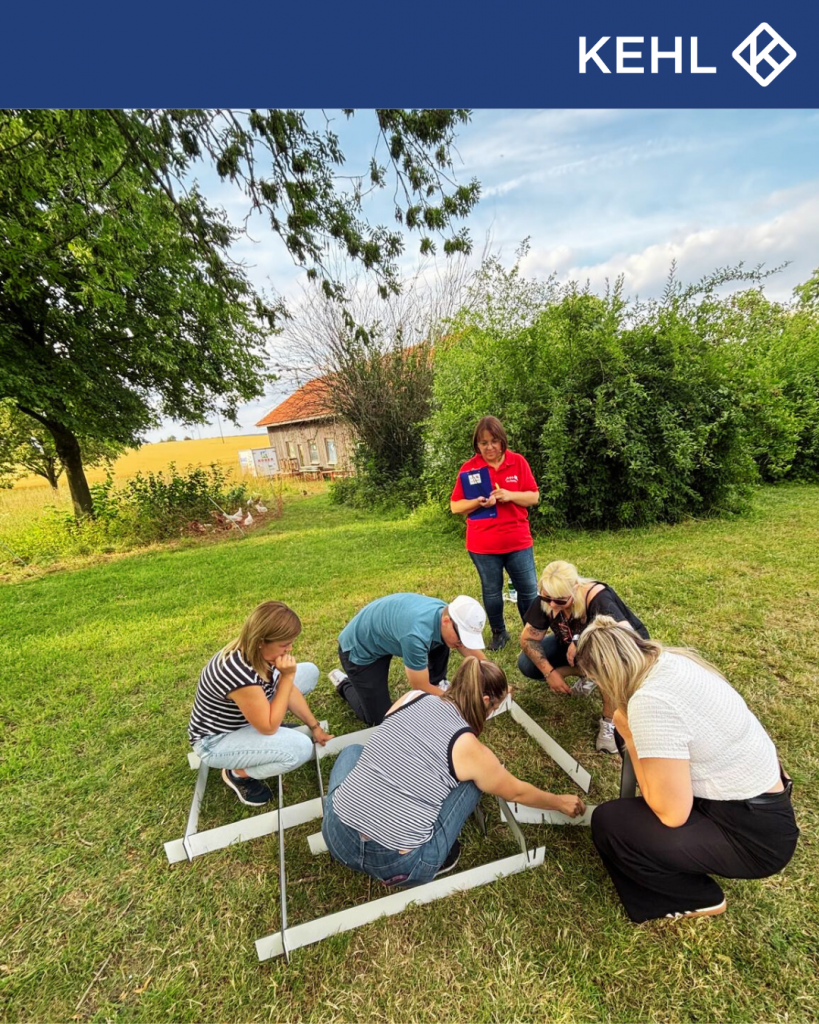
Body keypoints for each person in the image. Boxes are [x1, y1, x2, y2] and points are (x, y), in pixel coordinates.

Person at [575, 616, 799, 922]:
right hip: (762, 806)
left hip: (754, 838)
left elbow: (671, 813)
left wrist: (629, 736)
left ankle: (696, 897)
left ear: (606, 674)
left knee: (611, 823)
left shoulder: (650, 702)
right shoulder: (671, 660)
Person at [322, 657, 586, 886]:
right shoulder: (470, 749)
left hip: (336, 836)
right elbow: (516, 791)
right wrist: (559, 802)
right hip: (396, 864)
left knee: (353, 751)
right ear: (485, 701)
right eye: (493, 707)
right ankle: (437, 857)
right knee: (474, 783)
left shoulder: (412, 697)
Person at [188, 601, 333, 807]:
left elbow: (287, 689)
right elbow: (268, 727)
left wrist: (314, 726)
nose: (290, 648)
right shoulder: (238, 673)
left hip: (245, 718)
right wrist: (287, 677)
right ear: (261, 641)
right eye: (284, 644)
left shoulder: (256, 652)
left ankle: (260, 740)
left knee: (308, 671)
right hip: (216, 741)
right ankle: (237, 774)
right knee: (300, 749)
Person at [518, 560, 649, 754]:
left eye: (561, 601)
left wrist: (580, 641)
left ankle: (609, 722)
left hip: (619, 650)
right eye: (547, 599)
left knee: (605, 666)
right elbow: (528, 639)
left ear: (575, 588)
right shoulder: (549, 596)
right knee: (527, 664)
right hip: (572, 644)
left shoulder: (599, 599)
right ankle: (588, 674)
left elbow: (623, 641)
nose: (553, 605)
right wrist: (550, 673)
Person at [450, 416, 539, 652]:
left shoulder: (518, 462)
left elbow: (533, 496)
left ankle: (531, 633)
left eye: (494, 441)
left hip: (518, 541)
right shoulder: (470, 468)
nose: (489, 447)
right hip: (483, 545)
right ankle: (499, 632)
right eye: (483, 443)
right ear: (476, 445)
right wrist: (475, 502)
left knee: (528, 589)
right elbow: (455, 506)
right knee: (491, 591)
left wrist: (509, 495)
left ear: (502, 441)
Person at [329, 593, 487, 726]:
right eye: (462, 638)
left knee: (445, 641)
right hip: (360, 650)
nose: (462, 644)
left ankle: (438, 683)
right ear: (446, 621)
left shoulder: (447, 615)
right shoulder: (415, 635)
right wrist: (459, 704)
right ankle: (344, 684)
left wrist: (493, 676)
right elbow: (419, 685)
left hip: (385, 633)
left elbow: (464, 646)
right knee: (381, 720)